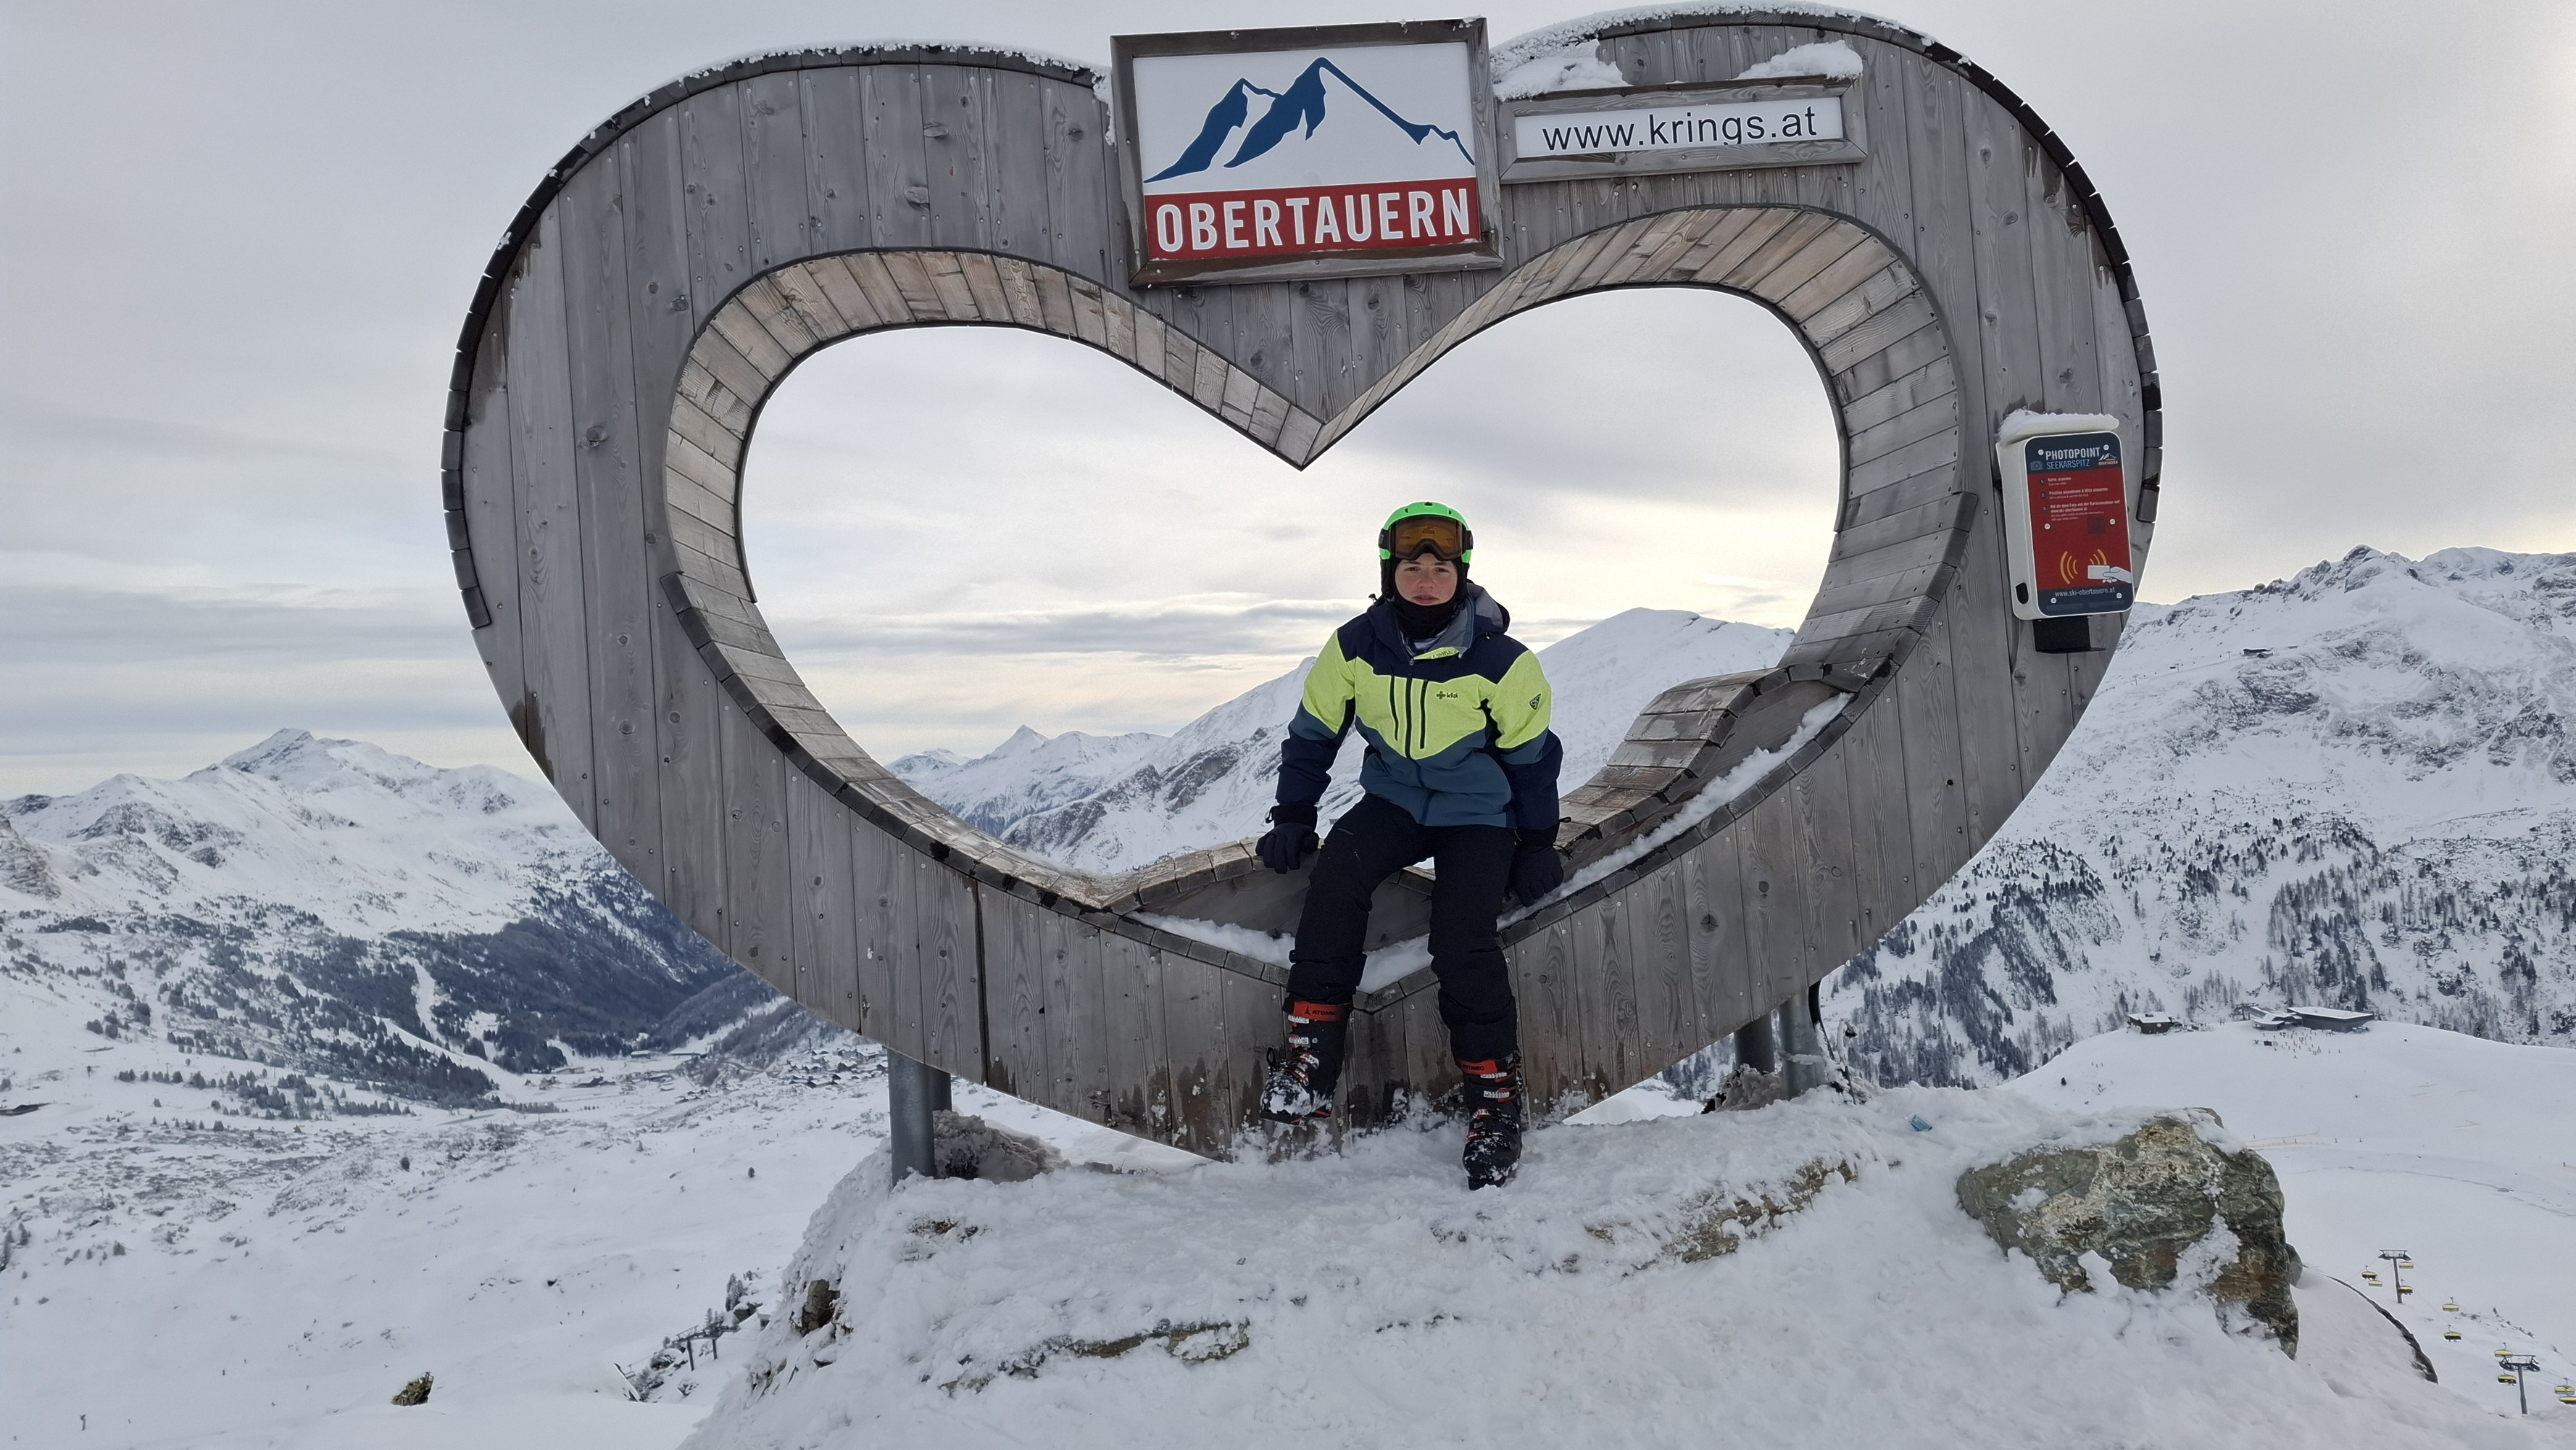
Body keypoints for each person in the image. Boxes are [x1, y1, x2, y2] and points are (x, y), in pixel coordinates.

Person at [1254, 502, 1565, 1189]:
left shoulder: (1502, 661)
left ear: (1463, 575)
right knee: (1335, 884)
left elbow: (1532, 760)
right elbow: (1314, 733)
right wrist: (1293, 814)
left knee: (1462, 942)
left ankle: (1495, 1104)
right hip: (1395, 800)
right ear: (1388, 574)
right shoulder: (1355, 646)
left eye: (1441, 569)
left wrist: (1538, 841)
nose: (1427, 581)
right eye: (1412, 568)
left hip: (1478, 813)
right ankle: (1310, 1063)